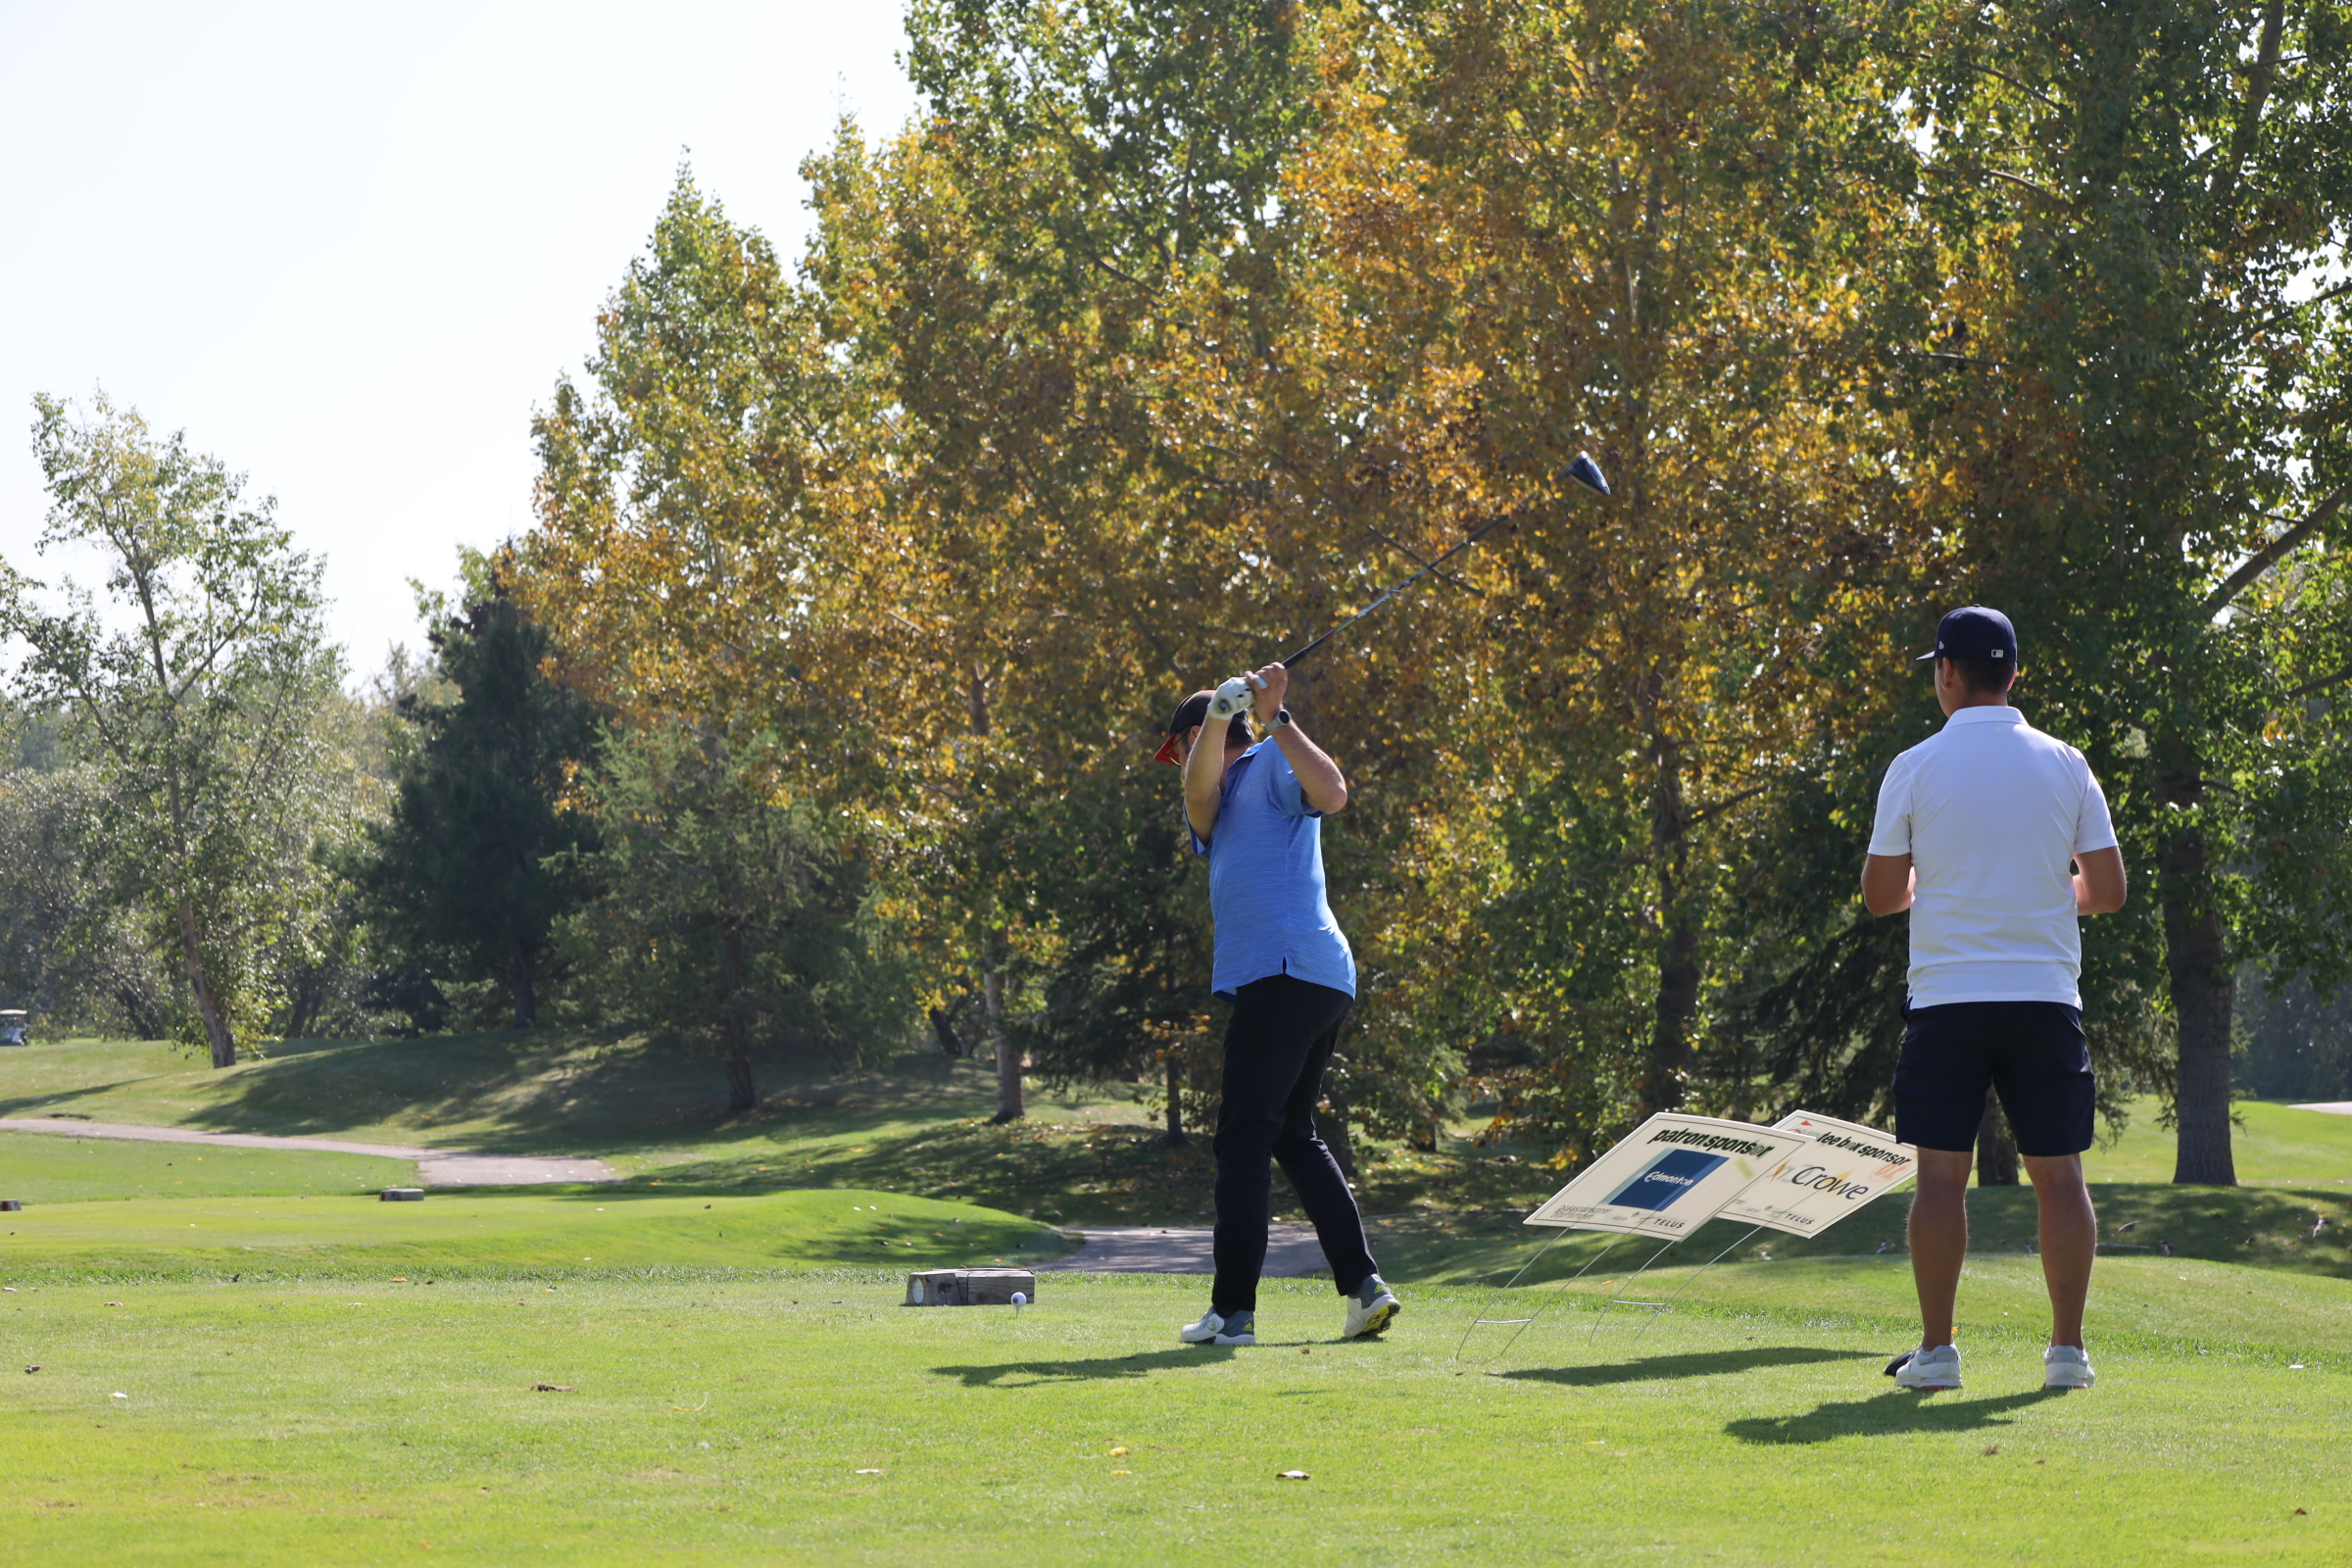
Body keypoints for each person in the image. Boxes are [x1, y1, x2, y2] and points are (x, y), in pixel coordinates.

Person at [1862, 606, 2127, 1393]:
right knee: (2059, 1175)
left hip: (1948, 1002)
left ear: (1947, 671)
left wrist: (1936, 884)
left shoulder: (1915, 765)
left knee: (1940, 1177)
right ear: (2013, 674)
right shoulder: (2067, 763)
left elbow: (1881, 896)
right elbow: (2108, 890)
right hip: (2044, 999)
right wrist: (2044, 895)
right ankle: (2067, 1354)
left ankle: (1938, 1354)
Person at [1152, 662, 1399, 1348]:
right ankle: (1365, 1289)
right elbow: (1199, 792)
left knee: (1242, 1138)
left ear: (1195, 738)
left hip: (1285, 971)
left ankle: (1232, 1313)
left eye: (1180, 749)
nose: (1180, 766)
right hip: (1313, 977)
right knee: (1291, 1134)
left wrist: (1276, 719)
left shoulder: (1267, 761)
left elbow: (1334, 794)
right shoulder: (1211, 798)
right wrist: (1222, 716)